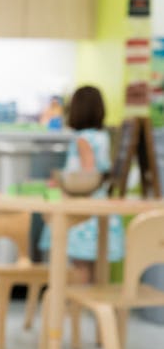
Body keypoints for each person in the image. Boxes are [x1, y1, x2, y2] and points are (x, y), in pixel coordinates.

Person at [39, 85, 124, 283]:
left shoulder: (82, 139)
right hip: (101, 204)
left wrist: (61, 184)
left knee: (80, 264)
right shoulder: (103, 136)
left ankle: (77, 306)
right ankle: (98, 305)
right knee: (98, 264)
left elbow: (87, 172)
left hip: (84, 208)